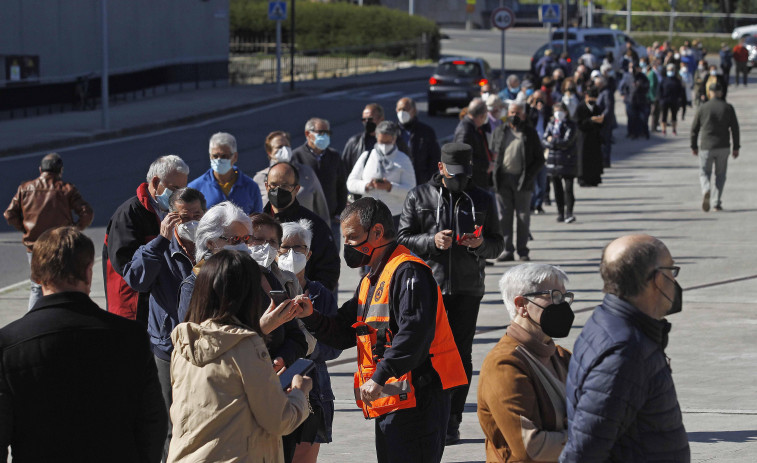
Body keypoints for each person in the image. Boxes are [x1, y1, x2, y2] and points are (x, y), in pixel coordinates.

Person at [296, 197, 467, 463]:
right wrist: (311, 317)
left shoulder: (409, 272)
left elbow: (414, 334)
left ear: (376, 232)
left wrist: (380, 375)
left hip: (420, 397)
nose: (348, 246)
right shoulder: (372, 279)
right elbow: (343, 331)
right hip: (394, 397)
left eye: (352, 237)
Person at [0, 227, 167, 462]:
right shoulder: (131, 337)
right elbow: (152, 421)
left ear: (36, 277)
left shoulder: (8, 345)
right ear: (89, 273)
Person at [397, 143, 504, 445]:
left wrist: (478, 244)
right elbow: (402, 238)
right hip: (427, 287)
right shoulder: (419, 196)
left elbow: (498, 244)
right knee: (422, 352)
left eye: (464, 174)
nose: (459, 180)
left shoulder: (482, 197)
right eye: (453, 174)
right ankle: (424, 414)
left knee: (460, 355)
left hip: (467, 288)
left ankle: (452, 420)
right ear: (441, 168)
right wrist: (432, 241)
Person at [167, 250, 312, 463]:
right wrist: (300, 392)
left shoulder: (183, 344)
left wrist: (260, 329)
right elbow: (279, 419)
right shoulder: (246, 346)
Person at [561, 235, 690, 461]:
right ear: (658, 280)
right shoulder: (626, 353)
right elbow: (583, 453)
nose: (674, 280)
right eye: (672, 271)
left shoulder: (609, 323)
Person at [121, 187, 205, 460]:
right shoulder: (159, 249)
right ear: (170, 218)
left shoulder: (214, 247)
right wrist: (160, 239)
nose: (190, 221)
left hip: (204, 350)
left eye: (197, 215)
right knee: (170, 423)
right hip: (167, 350)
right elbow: (136, 280)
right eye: (183, 216)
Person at [478, 264, 574, 462]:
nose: (562, 305)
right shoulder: (504, 365)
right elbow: (530, 447)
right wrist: (592, 437)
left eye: (564, 297)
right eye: (554, 296)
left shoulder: (563, 357)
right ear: (521, 304)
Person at [278, 220, 342, 463]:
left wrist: (306, 348)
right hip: (274, 385)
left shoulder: (320, 294)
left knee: (305, 454)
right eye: (285, 248)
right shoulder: (265, 291)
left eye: (299, 248)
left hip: (312, 388)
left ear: (309, 253)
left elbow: (334, 345)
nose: (292, 254)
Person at [104, 154, 189, 323]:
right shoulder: (129, 213)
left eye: (183, 190)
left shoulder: (169, 210)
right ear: (156, 183)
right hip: (132, 308)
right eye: (175, 189)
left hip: (159, 305)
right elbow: (127, 267)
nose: (179, 195)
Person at [4, 152, 93, 310]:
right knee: (64, 284)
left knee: (37, 286)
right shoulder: (66, 189)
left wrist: (24, 228)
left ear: (40, 170)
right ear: (60, 171)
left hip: (35, 246)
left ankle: (33, 320)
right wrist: (74, 230)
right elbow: (86, 212)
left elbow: (9, 214)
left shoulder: (25, 188)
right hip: (62, 245)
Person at [265, 162, 341, 293]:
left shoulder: (313, 225)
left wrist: (312, 295)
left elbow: (329, 269)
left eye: (284, 186)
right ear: (266, 186)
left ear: (296, 189)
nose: (278, 190)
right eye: (274, 185)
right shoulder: (258, 225)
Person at [492, 101, 545, 262]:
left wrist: (529, 176)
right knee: (504, 217)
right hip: (503, 180)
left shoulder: (529, 133)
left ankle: (523, 250)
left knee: (523, 217)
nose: (514, 116)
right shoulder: (500, 131)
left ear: (523, 114)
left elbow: (539, 159)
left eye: (517, 113)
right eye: (512, 113)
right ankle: (507, 250)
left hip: (523, 180)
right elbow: (493, 152)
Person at [291, 117, 348, 247]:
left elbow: (341, 186)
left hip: (331, 220)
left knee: (331, 260)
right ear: (308, 134)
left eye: (327, 133)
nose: (325, 136)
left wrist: (339, 213)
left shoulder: (334, 156)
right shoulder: (295, 157)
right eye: (321, 133)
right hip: (304, 223)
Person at [347, 121, 416, 226]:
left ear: (394, 139)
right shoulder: (367, 156)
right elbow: (351, 183)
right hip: (368, 215)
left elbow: (411, 190)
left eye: (387, 142)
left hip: (394, 217)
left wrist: (390, 187)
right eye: (381, 142)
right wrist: (367, 185)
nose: (384, 146)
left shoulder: (403, 159)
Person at [254, 130, 331, 224]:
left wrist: (326, 233)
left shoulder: (306, 173)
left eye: (287, 146)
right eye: (279, 147)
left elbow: (322, 209)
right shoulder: (260, 179)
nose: (284, 149)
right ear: (269, 152)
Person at [691, 82, 740, 212]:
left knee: (704, 172)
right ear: (721, 92)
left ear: (710, 93)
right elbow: (735, 129)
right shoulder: (728, 107)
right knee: (721, 174)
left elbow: (694, 129)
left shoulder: (703, 107)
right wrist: (736, 147)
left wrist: (693, 145)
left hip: (707, 145)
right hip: (723, 146)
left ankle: (706, 188)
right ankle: (716, 202)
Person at [188, 132, 263, 215]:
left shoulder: (251, 187)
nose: (219, 160)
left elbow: (258, 221)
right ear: (210, 156)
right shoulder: (195, 188)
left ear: (235, 157)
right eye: (215, 156)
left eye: (224, 156)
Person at [342, 103, 408, 176]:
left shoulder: (397, 142)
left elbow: (407, 166)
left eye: (370, 119)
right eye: (364, 120)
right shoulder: (354, 143)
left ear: (381, 119)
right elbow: (344, 170)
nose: (367, 122)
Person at [543, 102, 578, 223]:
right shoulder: (551, 124)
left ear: (566, 112)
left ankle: (569, 212)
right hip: (553, 160)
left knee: (568, 188)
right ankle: (560, 213)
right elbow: (544, 139)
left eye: (561, 111)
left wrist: (552, 141)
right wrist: (554, 142)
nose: (558, 113)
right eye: (556, 111)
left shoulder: (571, 125)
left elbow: (567, 141)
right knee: (557, 189)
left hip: (567, 160)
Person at [396, 97, 442, 185]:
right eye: (399, 109)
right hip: (398, 183)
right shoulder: (392, 132)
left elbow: (435, 157)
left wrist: (427, 179)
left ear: (414, 111)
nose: (402, 112)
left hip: (420, 181)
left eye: (405, 109)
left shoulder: (426, 131)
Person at [454, 98, 494, 190]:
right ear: (481, 116)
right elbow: (463, 159)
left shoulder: (476, 127)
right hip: (472, 184)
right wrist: (486, 166)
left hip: (480, 180)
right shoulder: (465, 131)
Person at [575, 88, 604, 187]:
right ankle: (583, 179)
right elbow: (578, 123)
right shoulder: (580, 107)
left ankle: (594, 179)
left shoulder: (597, 107)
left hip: (594, 137)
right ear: (586, 97)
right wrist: (591, 120)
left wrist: (600, 121)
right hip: (583, 137)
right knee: (583, 158)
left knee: (594, 158)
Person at [658, 63, 685, 136]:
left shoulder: (677, 80)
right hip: (665, 100)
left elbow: (681, 91)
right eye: (669, 70)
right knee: (664, 116)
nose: (670, 71)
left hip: (674, 100)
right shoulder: (664, 80)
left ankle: (674, 129)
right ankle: (664, 130)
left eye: (672, 70)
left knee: (674, 116)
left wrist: (679, 99)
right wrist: (661, 99)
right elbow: (660, 90)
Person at [594, 76, 615, 167]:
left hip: (605, 122)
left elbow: (608, 107)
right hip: (601, 121)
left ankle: (605, 160)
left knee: (605, 141)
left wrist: (602, 117)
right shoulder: (601, 92)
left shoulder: (606, 93)